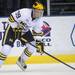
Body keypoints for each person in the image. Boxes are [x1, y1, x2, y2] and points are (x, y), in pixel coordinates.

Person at [0, 1, 44, 71]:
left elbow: (37, 33)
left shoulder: (39, 20)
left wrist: (39, 44)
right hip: (12, 29)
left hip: (24, 31)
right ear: (33, 10)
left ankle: (21, 60)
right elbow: (11, 18)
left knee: (32, 47)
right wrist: (15, 28)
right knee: (5, 49)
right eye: (37, 11)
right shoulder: (24, 12)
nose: (39, 13)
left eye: (40, 12)